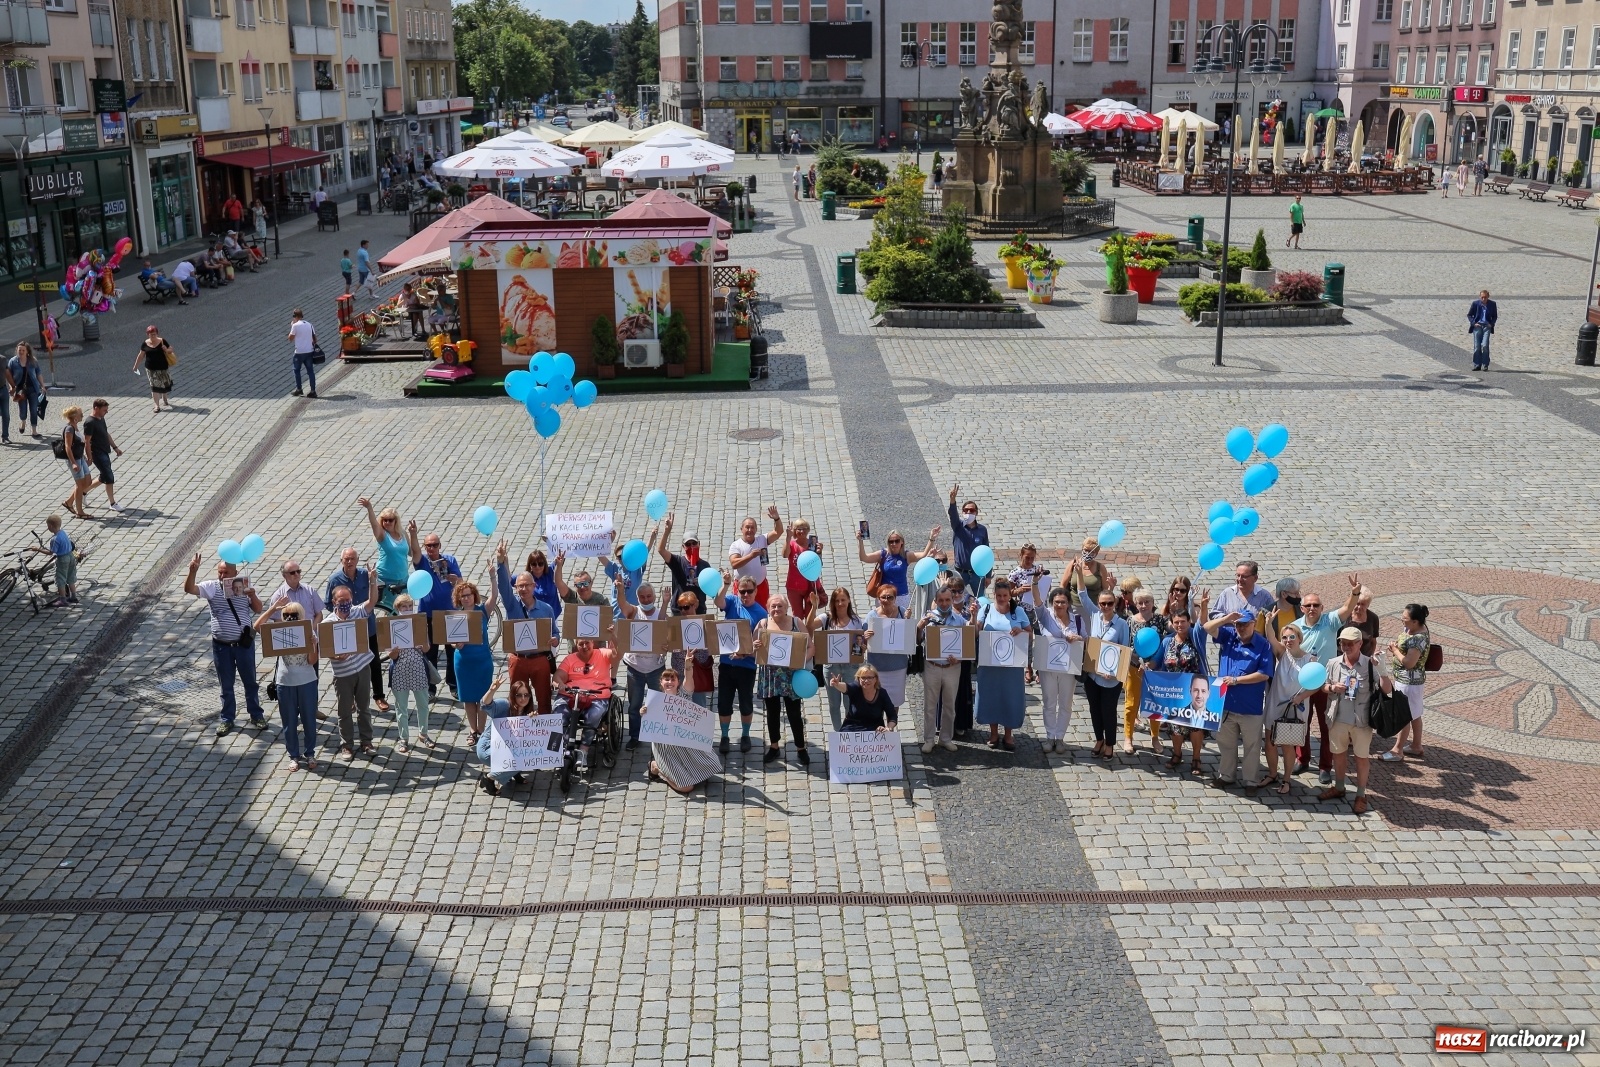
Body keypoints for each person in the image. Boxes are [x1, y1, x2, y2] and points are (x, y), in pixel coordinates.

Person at [184, 551, 267, 735]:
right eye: (219, 572)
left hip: (243, 645)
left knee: (250, 681)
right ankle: (227, 718)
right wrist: (193, 571)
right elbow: (190, 589)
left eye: (225, 573)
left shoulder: (243, 586)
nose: (222, 576)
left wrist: (252, 595)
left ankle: (256, 715)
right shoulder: (212, 587)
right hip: (222, 646)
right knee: (226, 685)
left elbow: (258, 609)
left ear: (234, 573)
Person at [1292, 575, 1363, 784]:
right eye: (1308, 605)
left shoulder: (1330, 621)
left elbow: (1347, 608)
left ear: (1322, 607)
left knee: (1326, 725)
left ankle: (1325, 766)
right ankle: (1302, 758)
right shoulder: (1295, 627)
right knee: (1301, 723)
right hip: (1303, 683)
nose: (1312, 608)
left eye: (1316, 605)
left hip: (1326, 683)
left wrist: (1355, 593)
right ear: (1302, 608)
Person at [1320, 625, 1394, 814]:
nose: (1345, 647)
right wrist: (1331, 688)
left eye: (1350, 643)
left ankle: (1361, 794)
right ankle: (1339, 786)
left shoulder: (1370, 664)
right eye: (1343, 643)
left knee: (1361, 758)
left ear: (1360, 643)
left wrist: (1383, 670)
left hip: (1361, 721)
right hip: (1338, 718)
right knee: (1339, 754)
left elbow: (1387, 690)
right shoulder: (1333, 663)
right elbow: (1323, 686)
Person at [1202, 608, 1275, 795]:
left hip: (1250, 706)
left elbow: (1264, 674)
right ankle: (1226, 776)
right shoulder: (1229, 636)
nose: (1241, 628)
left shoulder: (1263, 645)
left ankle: (1250, 781)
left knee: (1251, 746)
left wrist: (1237, 680)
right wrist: (1226, 619)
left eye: (1245, 624)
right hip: (1225, 703)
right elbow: (1207, 627)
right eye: (1238, 624)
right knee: (1226, 743)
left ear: (1253, 624)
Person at [256, 597, 319, 769]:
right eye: (287, 615)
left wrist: (313, 646)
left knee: (309, 719)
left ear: (301, 615)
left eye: (294, 615)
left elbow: (312, 660)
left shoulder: (308, 633)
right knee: (289, 721)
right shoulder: (278, 632)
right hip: (285, 682)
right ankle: (293, 755)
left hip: (306, 681)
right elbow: (256, 626)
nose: (291, 618)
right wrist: (273, 609)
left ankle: (310, 753)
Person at [496, 540, 558, 714]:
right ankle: (518, 732)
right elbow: (502, 586)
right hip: (518, 659)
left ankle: (545, 732)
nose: (523, 589)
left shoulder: (546, 609)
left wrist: (555, 640)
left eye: (527, 585)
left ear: (534, 586)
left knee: (544, 699)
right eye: (520, 586)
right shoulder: (511, 605)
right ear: (515, 588)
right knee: (517, 699)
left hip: (540, 660)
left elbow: (556, 632)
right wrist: (501, 562)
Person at [324, 577, 380, 758]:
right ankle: (346, 744)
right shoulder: (327, 624)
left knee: (364, 708)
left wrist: (372, 582)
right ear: (334, 602)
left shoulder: (357, 613)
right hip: (342, 674)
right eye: (342, 602)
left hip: (362, 668)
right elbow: (324, 651)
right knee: (344, 710)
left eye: (348, 601)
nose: (346, 604)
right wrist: (335, 656)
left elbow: (372, 601)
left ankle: (367, 741)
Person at [754, 593, 812, 766]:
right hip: (770, 676)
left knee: (794, 714)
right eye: (773, 606)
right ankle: (774, 747)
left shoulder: (796, 623)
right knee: (772, 713)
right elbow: (751, 649)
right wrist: (755, 647)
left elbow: (811, 647)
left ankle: (801, 748)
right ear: (768, 608)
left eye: (780, 606)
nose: (776, 609)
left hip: (791, 676)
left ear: (786, 607)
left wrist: (800, 661)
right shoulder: (763, 624)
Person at [974, 578, 1030, 751]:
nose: (1001, 598)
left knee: (1010, 698)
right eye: (998, 595)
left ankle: (1008, 734)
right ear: (994, 595)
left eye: (1005, 595)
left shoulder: (1018, 611)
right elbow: (976, 633)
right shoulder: (986, 609)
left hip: (1011, 667)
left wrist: (1020, 631)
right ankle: (993, 733)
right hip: (989, 664)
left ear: (1009, 595)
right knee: (991, 697)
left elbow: (1030, 634)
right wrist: (973, 616)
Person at [647, 667, 723, 794]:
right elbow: (647, 719)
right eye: (667, 679)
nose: (670, 682)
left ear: (678, 682)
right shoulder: (655, 700)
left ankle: (688, 771)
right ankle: (657, 768)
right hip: (667, 750)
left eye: (673, 679)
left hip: (686, 744)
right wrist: (643, 711)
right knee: (686, 788)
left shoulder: (683, 696)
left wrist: (688, 663)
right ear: (661, 682)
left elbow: (689, 677)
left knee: (711, 766)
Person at [410, 523, 462, 698]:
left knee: (452, 651)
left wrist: (455, 580)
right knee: (429, 652)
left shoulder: (450, 561)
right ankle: (430, 689)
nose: (432, 548)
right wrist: (413, 534)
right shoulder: (422, 561)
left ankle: (454, 685)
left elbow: (461, 585)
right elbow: (415, 551)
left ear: (440, 545)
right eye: (428, 545)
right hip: (428, 615)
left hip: (450, 614)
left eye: (435, 545)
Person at [716, 572, 766, 754]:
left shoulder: (761, 614)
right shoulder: (731, 601)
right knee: (723, 703)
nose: (745, 595)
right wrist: (726, 585)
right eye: (742, 592)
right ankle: (724, 736)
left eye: (749, 592)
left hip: (747, 666)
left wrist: (745, 653)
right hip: (726, 663)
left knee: (746, 703)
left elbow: (761, 645)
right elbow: (718, 603)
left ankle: (745, 735)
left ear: (756, 591)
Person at [917, 585, 971, 753]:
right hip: (932, 666)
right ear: (936, 601)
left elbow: (967, 645)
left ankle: (945, 738)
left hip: (952, 667)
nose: (944, 603)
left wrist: (959, 658)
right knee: (930, 705)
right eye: (941, 600)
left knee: (949, 705)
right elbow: (917, 641)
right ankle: (929, 739)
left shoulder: (959, 619)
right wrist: (919, 627)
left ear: (952, 600)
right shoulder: (928, 618)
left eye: (947, 600)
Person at [1078, 585, 1129, 758]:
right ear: (1098, 604)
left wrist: (1114, 672)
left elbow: (1125, 650)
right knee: (1094, 709)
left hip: (1110, 678)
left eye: (1109, 603)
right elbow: (1083, 596)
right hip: (1093, 675)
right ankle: (1099, 739)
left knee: (1108, 711)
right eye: (1102, 603)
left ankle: (1109, 744)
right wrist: (1078, 571)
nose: (1105, 607)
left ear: (1114, 604)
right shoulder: (1095, 616)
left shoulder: (1122, 624)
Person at [616, 576, 666, 749]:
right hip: (635, 668)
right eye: (643, 597)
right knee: (635, 704)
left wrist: (666, 646)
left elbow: (667, 637)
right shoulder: (633, 612)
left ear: (654, 596)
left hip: (656, 668)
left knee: (657, 704)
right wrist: (621, 590)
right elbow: (622, 604)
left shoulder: (662, 614)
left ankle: (657, 737)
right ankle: (635, 736)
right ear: (638, 598)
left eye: (649, 596)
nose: (646, 599)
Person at [1262, 620, 1311, 795]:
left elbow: (1316, 685)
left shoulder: (1310, 659)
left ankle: (1287, 779)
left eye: (1292, 637)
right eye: (1285, 637)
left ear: (1299, 638)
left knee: (1288, 746)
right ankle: (1272, 774)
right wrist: (1269, 623)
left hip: (1295, 708)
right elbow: (1270, 637)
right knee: (1269, 743)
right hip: (1275, 703)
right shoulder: (1282, 653)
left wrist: (1300, 697)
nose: (1288, 640)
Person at [1157, 610, 1209, 775]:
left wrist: (1204, 606)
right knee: (1175, 727)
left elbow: (1203, 625)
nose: (1180, 625)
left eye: (1183, 622)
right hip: (1174, 691)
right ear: (1172, 623)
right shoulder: (1167, 641)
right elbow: (1158, 662)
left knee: (1195, 726)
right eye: (1176, 622)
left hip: (1195, 690)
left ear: (1189, 622)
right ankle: (1177, 754)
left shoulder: (1195, 638)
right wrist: (1146, 667)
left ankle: (1196, 758)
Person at [1035, 586, 1085, 754]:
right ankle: (1050, 737)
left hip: (1069, 668)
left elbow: (1086, 640)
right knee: (1049, 702)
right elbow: (1037, 602)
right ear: (1052, 603)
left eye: (1063, 602)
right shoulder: (1046, 616)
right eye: (1056, 602)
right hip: (1048, 667)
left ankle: (1060, 738)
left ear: (1068, 603)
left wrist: (1078, 638)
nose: (1059, 605)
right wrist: (1035, 583)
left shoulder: (1077, 620)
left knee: (1065, 704)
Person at [450, 577, 498, 743]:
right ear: (459, 599)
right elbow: (450, 640)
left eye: (469, 595)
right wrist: (456, 644)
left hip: (482, 661)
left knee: (483, 698)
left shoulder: (483, 611)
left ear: (474, 595)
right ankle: (472, 730)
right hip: (464, 662)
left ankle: (481, 730)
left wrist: (492, 577)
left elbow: (495, 595)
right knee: (468, 697)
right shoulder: (455, 616)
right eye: (463, 596)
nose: (466, 598)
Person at [1381, 603, 1431, 762]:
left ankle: (1397, 750)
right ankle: (1416, 746)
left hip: (1408, 683)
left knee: (1404, 715)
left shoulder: (1418, 639)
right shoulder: (1414, 630)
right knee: (1415, 714)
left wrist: (1395, 651)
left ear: (1416, 622)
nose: (1402, 621)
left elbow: (1409, 662)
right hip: (1413, 681)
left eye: (1405, 619)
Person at [387, 593, 435, 752]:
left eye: (409, 606)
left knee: (423, 704)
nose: (407, 609)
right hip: (400, 669)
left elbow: (428, 649)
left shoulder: (419, 623)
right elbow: (391, 656)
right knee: (401, 707)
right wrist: (394, 651)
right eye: (403, 607)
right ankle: (404, 738)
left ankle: (424, 733)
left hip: (417, 668)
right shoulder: (391, 625)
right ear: (398, 609)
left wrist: (422, 644)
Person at [813, 586, 866, 731]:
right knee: (834, 704)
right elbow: (809, 626)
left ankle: (849, 730)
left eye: (843, 600)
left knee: (849, 703)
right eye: (837, 600)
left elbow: (861, 647)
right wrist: (813, 607)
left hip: (851, 667)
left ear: (849, 600)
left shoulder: (856, 621)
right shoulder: (826, 618)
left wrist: (862, 647)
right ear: (833, 603)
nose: (840, 603)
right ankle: (838, 733)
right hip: (832, 666)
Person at [557, 638, 615, 771]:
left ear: (592, 643)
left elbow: (616, 654)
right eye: (580, 644)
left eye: (587, 643)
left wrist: (614, 636)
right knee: (558, 715)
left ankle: (583, 750)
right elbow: (558, 676)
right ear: (576, 645)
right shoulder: (570, 659)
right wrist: (559, 683)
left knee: (593, 715)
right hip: (571, 694)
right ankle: (560, 748)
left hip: (596, 696)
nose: (584, 646)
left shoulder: (602, 654)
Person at [1124, 587, 1168, 756]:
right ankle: (1128, 738)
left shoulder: (1160, 620)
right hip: (1134, 668)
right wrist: (1138, 661)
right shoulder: (1130, 621)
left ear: (1153, 603)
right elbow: (1127, 645)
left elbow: (1172, 634)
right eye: (1140, 602)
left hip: (1155, 669)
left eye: (1147, 602)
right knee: (1131, 704)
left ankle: (1155, 737)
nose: (1143, 605)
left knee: (1154, 704)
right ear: (1135, 604)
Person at [475, 675, 532, 796]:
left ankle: (513, 773)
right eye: (519, 695)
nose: (523, 698)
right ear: (513, 695)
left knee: (526, 751)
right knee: (520, 759)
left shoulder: (527, 711)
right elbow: (485, 705)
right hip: (488, 747)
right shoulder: (504, 705)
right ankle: (488, 779)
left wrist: (532, 723)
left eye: (526, 695)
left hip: (506, 748)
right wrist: (492, 690)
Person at [862, 586, 911, 708]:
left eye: (890, 597)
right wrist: (865, 636)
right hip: (877, 668)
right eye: (883, 597)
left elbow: (909, 636)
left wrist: (908, 621)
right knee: (876, 703)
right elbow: (861, 642)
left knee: (894, 704)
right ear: (878, 599)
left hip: (898, 667)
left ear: (895, 599)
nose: (886, 600)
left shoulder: (902, 612)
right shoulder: (871, 616)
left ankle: (892, 726)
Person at [860, 526, 940, 600]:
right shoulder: (883, 554)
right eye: (891, 541)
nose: (894, 544)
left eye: (897, 541)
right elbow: (864, 558)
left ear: (902, 542)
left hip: (901, 595)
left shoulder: (906, 556)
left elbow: (923, 555)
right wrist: (860, 542)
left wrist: (931, 539)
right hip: (885, 596)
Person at [655, 513, 711, 613]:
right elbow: (661, 550)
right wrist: (667, 531)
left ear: (699, 544)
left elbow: (711, 589)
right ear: (683, 547)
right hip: (679, 610)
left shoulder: (705, 565)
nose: (691, 546)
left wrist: (702, 584)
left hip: (699, 611)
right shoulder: (677, 561)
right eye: (688, 544)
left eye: (694, 543)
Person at [728, 507, 784, 608]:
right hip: (743, 588)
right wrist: (750, 556)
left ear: (756, 529)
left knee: (762, 612)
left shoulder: (762, 540)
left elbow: (778, 532)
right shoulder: (736, 545)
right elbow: (734, 563)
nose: (750, 530)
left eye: (752, 527)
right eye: (747, 527)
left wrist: (777, 519)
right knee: (741, 613)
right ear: (742, 529)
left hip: (760, 586)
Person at [946, 485, 991, 597]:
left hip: (977, 574)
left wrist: (988, 575)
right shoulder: (958, 527)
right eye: (966, 510)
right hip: (960, 573)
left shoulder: (982, 530)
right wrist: (952, 501)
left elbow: (987, 552)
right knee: (956, 598)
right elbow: (953, 516)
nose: (968, 512)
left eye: (971, 510)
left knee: (980, 599)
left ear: (976, 513)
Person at [828, 664, 899, 734]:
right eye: (863, 678)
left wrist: (888, 727)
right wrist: (837, 684)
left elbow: (892, 714)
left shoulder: (882, 693)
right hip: (852, 727)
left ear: (876, 679)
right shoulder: (855, 688)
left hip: (875, 728)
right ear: (858, 679)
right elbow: (847, 687)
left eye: (870, 678)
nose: (866, 681)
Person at [779, 518, 828, 618]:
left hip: (810, 586)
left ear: (808, 530)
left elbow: (818, 565)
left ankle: (810, 634)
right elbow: (785, 555)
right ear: (794, 531)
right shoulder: (792, 544)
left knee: (811, 616)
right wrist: (788, 539)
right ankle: (800, 634)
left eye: (804, 528)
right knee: (797, 616)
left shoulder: (812, 545)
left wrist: (819, 552)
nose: (802, 531)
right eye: (799, 529)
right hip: (794, 586)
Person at [82, 399, 123, 512]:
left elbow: (106, 433)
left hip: (104, 451)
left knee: (104, 476)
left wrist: (115, 447)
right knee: (109, 477)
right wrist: (90, 457)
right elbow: (87, 441)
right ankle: (112, 503)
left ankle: (83, 492)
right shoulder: (89, 422)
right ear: (96, 408)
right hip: (97, 453)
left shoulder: (101, 418)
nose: (106, 412)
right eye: (104, 410)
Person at [57, 405, 94, 520]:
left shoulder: (75, 426)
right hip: (74, 460)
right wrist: (73, 463)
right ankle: (80, 512)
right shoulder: (69, 429)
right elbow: (68, 447)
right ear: (74, 417)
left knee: (87, 482)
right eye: (80, 413)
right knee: (80, 485)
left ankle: (69, 502)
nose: (82, 415)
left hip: (80, 458)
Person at [130, 326, 176, 414]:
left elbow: (171, 350)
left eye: (154, 334)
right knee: (154, 386)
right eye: (151, 335)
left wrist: (166, 350)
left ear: (157, 334)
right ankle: (156, 405)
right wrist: (135, 366)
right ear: (147, 335)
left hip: (163, 367)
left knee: (164, 383)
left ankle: (164, 397)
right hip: (150, 368)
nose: (153, 336)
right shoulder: (145, 343)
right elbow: (141, 355)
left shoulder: (162, 341)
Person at [269, 559, 325, 627]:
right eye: (292, 572)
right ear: (284, 575)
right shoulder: (278, 596)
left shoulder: (309, 590)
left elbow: (319, 615)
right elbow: (278, 622)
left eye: (298, 571)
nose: (296, 574)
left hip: (311, 635)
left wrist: (310, 631)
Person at [37, 515, 76, 606]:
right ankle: (73, 597)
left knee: (60, 579)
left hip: (62, 559)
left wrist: (38, 549)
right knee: (71, 577)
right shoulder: (63, 532)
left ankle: (62, 600)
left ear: (50, 526)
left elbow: (51, 552)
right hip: (71, 556)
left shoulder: (54, 539)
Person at [1065, 538, 1116, 609]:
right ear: (1082, 549)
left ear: (1096, 553)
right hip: (1074, 606)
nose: (1088, 553)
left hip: (1094, 607)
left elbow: (1105, 591)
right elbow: (1063, 585)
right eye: (1086, 550)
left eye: (1091, 551)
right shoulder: (1073, 564)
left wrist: (1111, 587)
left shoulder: (1100, 568)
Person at [8, 341, 43, 437]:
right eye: (19, 350)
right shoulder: (13, 361)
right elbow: (9, 376)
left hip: (32, 389)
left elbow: (38, 373)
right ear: (17, 350)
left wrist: (42, 385)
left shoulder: (32, 361)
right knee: (23, 410)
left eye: (23, 350)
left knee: (33, 410)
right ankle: (23, 422)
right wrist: (11, 387)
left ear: (27, 351)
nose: (21, 352)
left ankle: (34, 430)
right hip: (20, 390)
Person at [288, 308, 319, 398]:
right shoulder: (309, 324)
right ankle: (313, 391)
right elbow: (315, 339)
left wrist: (292, 326)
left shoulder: (295, 325)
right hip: (309, 351)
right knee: (310, 371)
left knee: (296, 370)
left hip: (299, 352)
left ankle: (299, 389)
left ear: (295, 316)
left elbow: (290, 339)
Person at [1468, 289, 1497, 371]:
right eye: (1482, 297)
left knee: (1485, 345)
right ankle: (1477, 364)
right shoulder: (1475, 304)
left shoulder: (1492, 304)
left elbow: (1494, 316)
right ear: (1480, 297)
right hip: (1478, 326)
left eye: (1485, 297)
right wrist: (1474, 323)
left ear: (1488, 297)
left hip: (1486, 326)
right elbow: (1469, 315)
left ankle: (1485, 364)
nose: (1483, 299)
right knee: (1477, 346)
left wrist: (1491, 324)